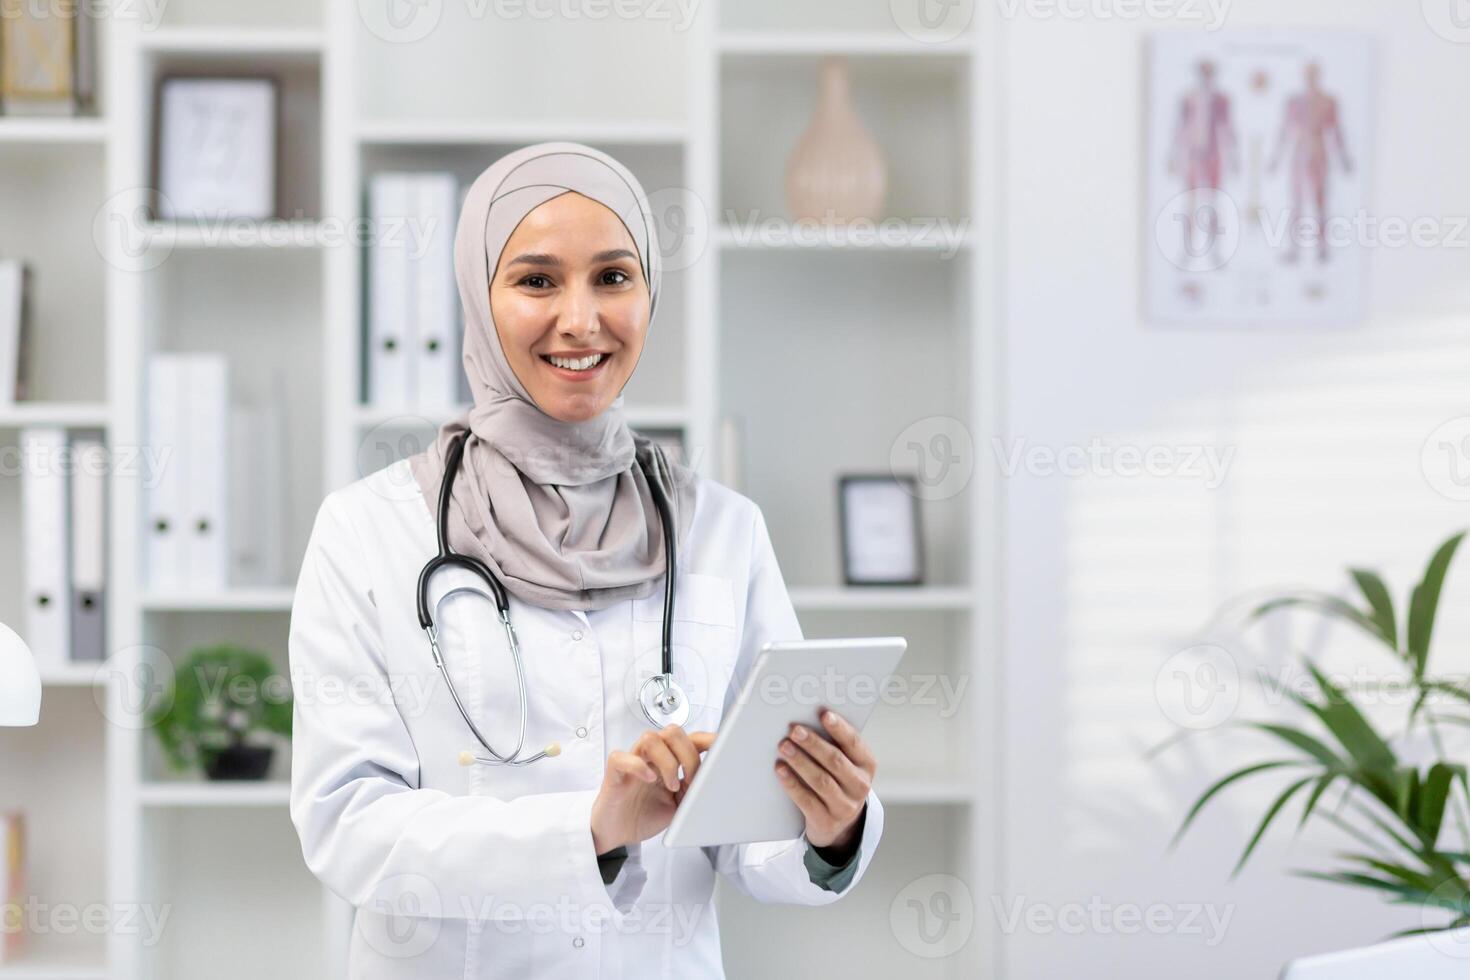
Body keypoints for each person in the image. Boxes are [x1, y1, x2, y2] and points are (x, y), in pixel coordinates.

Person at [287, 142, 885, 978]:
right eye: (536, 280)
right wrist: (590, 830)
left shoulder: (720, 529)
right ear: (478, 296)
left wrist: (830, 825)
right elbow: (347, 824)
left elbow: (747, 836)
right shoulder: (369, 530)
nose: (581, 319)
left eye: (613, 277)